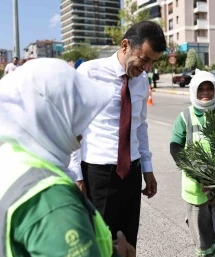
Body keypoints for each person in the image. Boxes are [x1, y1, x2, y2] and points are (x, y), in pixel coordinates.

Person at [0, 58, 135, 257]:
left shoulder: (11, 156)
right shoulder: (54, 203)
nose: (82, 132)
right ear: (53, 117)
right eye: (77, 116)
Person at [68, 21, 167, 249]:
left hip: (131, 173)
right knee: (97, 245)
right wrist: (76, 175)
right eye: (144, 59)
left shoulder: (142, 81)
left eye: (153, 61)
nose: (148, 67)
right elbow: (73, 126)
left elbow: (140, 126)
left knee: (127, 243)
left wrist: (147, 169)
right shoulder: (89, 73)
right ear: (125, 45)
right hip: (97, 175)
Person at [169, 69, 215, 257]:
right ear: (193, 91)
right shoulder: (185, 117)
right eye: (201, 89)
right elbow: (175, 147)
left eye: (210, 88)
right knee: (203, 242)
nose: (206, 92)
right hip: (196, 190)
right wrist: (197, 173)